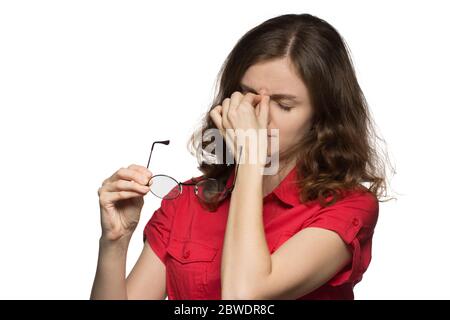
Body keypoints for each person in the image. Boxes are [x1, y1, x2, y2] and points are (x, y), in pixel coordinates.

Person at [90, 13, 392, 300]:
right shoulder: (187, 200)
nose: (259, 116)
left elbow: (244, 294)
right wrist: (115, 242)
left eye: (284, 105)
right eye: (248, 97)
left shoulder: (347, 207)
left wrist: (250, 157)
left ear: (321, 117)